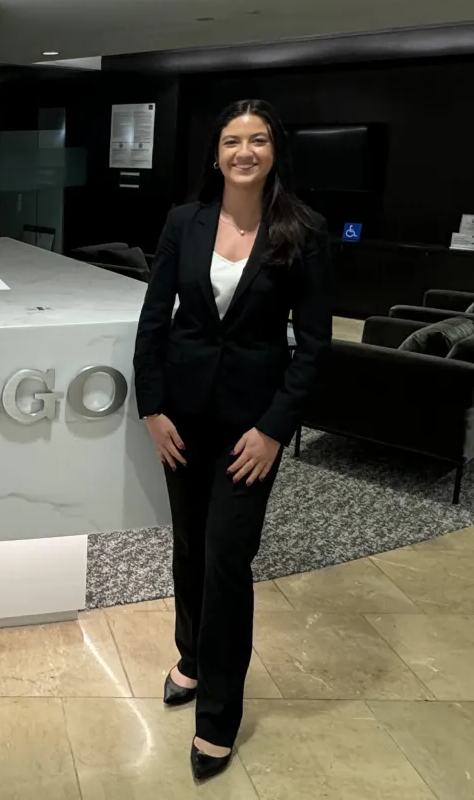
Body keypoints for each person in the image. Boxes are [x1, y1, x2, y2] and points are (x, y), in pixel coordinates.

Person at [133, 99, 332, 782]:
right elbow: (155, 317)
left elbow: (313, 345)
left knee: (226, 558)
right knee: (188, 545)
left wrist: (276, 429)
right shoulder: (184, 222)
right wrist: (152, 407)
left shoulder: (301, 229)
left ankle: (217, 715)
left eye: (257, 140)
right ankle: (190, 655)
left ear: (275, 150)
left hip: (250, 430)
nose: (243, 151)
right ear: (215, 154)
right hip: (182, 418)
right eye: (231, 140)